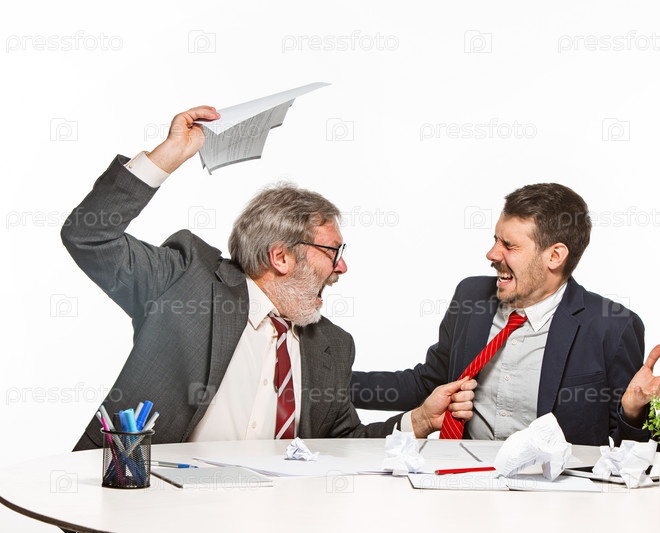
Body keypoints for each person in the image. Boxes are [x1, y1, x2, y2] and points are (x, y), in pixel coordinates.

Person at [63, 106, 472, 450]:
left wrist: (419, 421)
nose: (342, 268)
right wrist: (167, 156)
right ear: (280, 257)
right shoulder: (186, 283)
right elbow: (89, 237)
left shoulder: (331, 346)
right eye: (333, 252)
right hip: (147, 503)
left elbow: (344, 445)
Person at [351, 183, 660, 445]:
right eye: (495, 240)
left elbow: (631, 454)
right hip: (463, 482)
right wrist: (331, 386)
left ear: (555, 256)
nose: (492, 254)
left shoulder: (611, 326)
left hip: (557, 498)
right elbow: (429, 383)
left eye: (509, 245)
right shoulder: (471, 297)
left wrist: (632, 412)